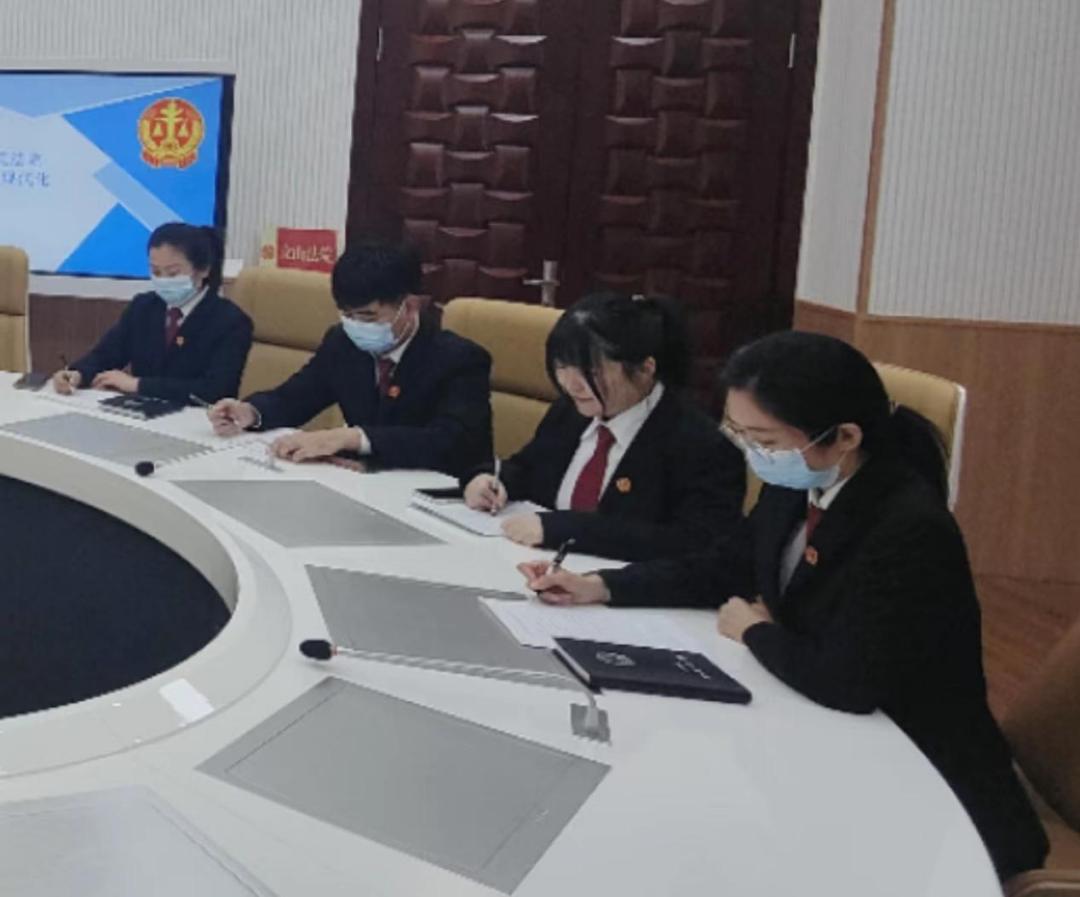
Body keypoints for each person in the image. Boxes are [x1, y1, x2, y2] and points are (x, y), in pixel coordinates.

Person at [519, 331, 1048, 881]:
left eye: (764, 440)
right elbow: (727, 566)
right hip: (829, 743)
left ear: (844, 436)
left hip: (927, 788)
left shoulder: (908, 527)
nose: (754, 454)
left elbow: (849, 682)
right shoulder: (799, 482)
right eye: (740, 434)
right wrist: (601, 585)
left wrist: (754, 631)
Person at [461, 292, 745, 561]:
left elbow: (691, 542)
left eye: (592, 372)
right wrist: (489, 480)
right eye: (562, 366)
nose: (571, 384)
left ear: (645, 369)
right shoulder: (570, 412)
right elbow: (528, 468)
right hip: (535, 568)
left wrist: (565, 529)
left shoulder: (701, 446)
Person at [208, 240, 492, 476]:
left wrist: (353, 438)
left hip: (435, 494)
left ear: (410, 306)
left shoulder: (459, 359)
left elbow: (452, 442)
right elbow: (296, 397)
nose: (357, 325)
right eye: (347, 315)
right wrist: (251, 412)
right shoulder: (342, 342)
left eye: (368, 316)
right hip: (363, 485)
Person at [52, 223, 252, 403]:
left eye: (173, 273)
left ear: (203, 270)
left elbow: (215, 391)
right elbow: (106, 355)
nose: (163, 280)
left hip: (198, 421)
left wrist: (138, 385)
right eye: (156, 272)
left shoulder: (231, 322)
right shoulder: (144, 307)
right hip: (141, 414)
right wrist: (77, 374)